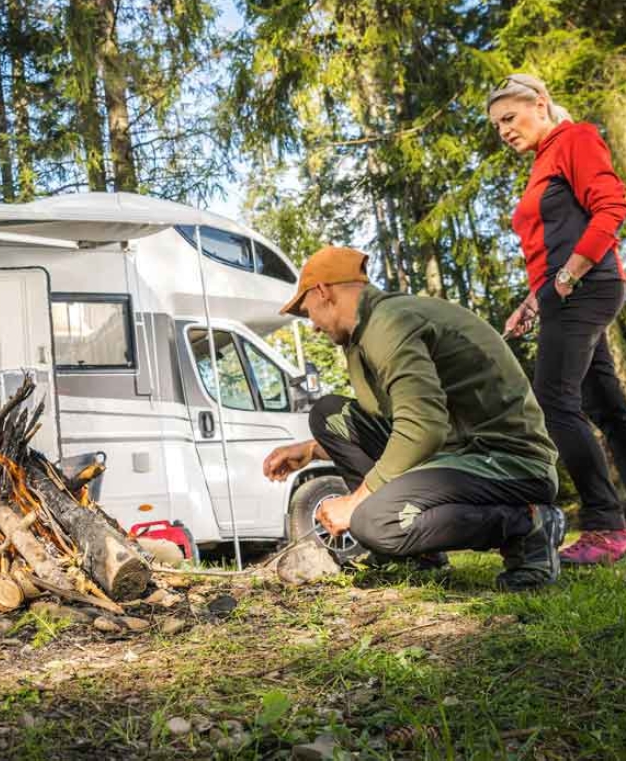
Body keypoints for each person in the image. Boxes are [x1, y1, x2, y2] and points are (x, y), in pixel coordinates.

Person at [262, 247, 564, 590]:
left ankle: (529, 525)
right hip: (457, 451)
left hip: (511, 462)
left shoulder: (388, 322)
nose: (313, 326)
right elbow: (400, 425)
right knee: (330, 415)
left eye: (308, 313)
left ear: (323, 292)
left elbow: (422, 427)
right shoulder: (367, 331)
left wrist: (355, 503)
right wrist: (312, 451)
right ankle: (418, 553)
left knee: (372, 522)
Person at [490, 74, 626, 565]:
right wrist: (534, 298)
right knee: (606, 405)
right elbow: (554, 240)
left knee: (555, 400)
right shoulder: (542, 161)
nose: (504, 130)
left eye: (510, 117)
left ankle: (605, 528)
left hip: (585, 289)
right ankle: (615, 523)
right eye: (497, 125)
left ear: (541, 104)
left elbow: (612, 206)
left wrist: (568, 276)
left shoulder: (575, 138)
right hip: (564, 293)